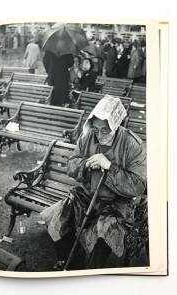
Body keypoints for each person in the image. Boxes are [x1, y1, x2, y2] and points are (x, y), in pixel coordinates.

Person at [39, 95, 147, 269]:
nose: (99, 135)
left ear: (116, 124)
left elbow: (138, 185)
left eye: (105, 130)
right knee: (56, 217)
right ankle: (72, 263)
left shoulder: (133, 145)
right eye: (96, 129)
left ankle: (92, 272)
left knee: (104, 232)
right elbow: (71, 164)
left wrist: (109, 166)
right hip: (88, 197)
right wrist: (86, 165)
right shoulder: (88, 137)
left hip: (117, 204)